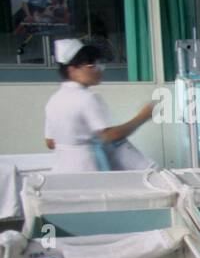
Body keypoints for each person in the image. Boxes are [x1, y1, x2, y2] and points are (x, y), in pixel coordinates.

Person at [43, 39, 155, 173]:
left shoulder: (54, 100)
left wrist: (72, 143)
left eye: (98, 65)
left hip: (61, 170)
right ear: (72, 70)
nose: (98, 70)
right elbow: (109, 136)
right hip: (86, 170)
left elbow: (50, 142)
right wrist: (143, 116)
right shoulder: (87, 98)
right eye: (92, 66)